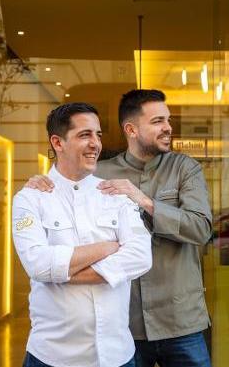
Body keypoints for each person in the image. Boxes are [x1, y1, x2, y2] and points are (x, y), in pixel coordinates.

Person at [26, 90, 213, 367]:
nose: (168, 128)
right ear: (131, 129)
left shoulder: (185, 169)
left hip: (180, 320)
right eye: (158, 121)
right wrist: (39, 183)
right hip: (126, 325)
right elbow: (65, 179)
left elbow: (201, 228)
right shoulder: (99, 173)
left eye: (168, 120)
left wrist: (145, 201)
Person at [12, 102, 152, 367]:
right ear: (58, 142)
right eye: (85, 135)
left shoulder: (116, 194)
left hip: (117, 355)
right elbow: (39, 265)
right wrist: (108, 247)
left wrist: (63, 273)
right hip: (53, 357)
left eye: (98, 135)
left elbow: (141, 256)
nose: (96, 143)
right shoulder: (30, 199)